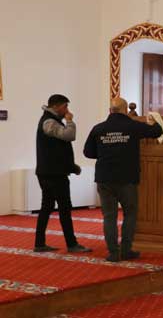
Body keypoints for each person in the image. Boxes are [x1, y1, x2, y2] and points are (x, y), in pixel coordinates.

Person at [83, 97, 163, 262]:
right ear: (125, 110)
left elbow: (88, 152)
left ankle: (113, 253)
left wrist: (105, 152)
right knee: (130, 214)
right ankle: (126, 250)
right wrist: (154, 120)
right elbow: (157, 131)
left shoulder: (98, 128)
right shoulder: (132, 126)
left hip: (104, 178)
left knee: (109, 216)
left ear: (110, 110)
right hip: (126, 178)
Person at [34, 94, 92, 253]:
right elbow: (68, 136)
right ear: (56, 106)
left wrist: (72, 167)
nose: (67, 110)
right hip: (54, 174)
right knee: (64, 208)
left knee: (47, 207)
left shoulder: (50, 120)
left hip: (49, 172)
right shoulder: (49, 122)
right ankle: (72, 244)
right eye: (65, 106)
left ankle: (39, 243)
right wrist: (70, 121)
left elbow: (56, 151)